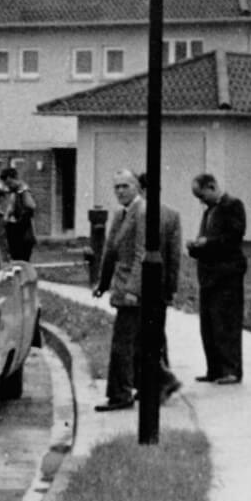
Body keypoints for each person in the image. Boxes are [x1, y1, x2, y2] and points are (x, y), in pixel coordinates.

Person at [92, 169, 182, 412]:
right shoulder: (121, 213)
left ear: (137, 188)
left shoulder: (142, 212)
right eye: (117, 187)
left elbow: (143, 253)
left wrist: (133, 290)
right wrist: (102, 283)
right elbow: (110, 251)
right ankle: (162, 380)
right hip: (123, 288)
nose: (120, 191)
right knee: (138, 342)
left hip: (135, 292)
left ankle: (120, 394)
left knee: (123, 344)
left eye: (125, 186)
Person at [187, 172, 247, 384]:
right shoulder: (209, 211)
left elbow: (233, 238)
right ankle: (214, 369)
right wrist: (195, 248)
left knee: (226, 323)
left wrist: (207, 244)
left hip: (227, 275)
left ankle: (231, 369)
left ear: (212, 187)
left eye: (202, 195)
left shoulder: (233, 205)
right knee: (209, 325)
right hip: (209, 276)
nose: (201, 201)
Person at [0, 166, 38, 261]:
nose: (8, 187)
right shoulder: (15, 192)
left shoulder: (23, 190)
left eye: (9, 184)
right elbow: (11, 207)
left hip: (23, 231)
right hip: (17, 230)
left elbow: (31, 205)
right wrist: (6, 217)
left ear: (11, 179)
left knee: (21, 259)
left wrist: (22, 191)